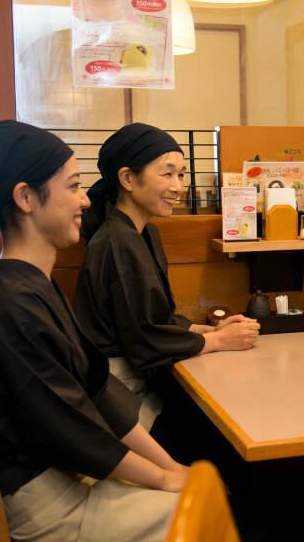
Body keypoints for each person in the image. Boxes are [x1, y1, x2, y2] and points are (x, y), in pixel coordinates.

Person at [0, 121, 185, 541]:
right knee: (205, 507)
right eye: (74, 186)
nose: (85, 199)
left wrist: (170, 468)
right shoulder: (8, 304)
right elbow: (72, 431)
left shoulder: (26, 284)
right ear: (26, 197)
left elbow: (94, 388)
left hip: (66, 476)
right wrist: (162, 480)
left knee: (196, 482)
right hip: (48, 503)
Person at [75, 123, 259, 432]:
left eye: (182, 174)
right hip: (120, 392)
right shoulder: (117, 241)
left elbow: (154, 320)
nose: (178, 186)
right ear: (128, 179)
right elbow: (144, 340)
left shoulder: (145, 233)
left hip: (141, 379)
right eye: (167, 174)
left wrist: (209, 328)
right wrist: (217, 341)